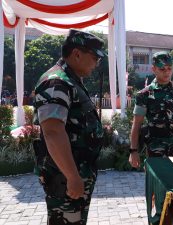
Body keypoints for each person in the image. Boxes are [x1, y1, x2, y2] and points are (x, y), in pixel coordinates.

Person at [33, 29, 106, 224]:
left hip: (74, 171)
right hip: (64, 176)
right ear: (77, 54)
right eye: (95, 57)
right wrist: (72, 176)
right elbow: (53, 132)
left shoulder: (71, 80)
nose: (97, 63)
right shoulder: (57, 82)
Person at [129, 51, 173, 169]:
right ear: (153, 69)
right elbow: (137, 124)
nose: (167, 72)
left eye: (169, 68)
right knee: (156, 186)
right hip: (155, 150)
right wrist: (133, 151)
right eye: (162, 69)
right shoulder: (144, 94)